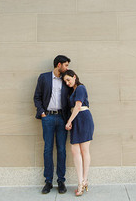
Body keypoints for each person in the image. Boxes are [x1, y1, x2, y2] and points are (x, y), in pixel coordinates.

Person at [33, 55, 72, 194]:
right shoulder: (44, 78)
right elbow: (37, 97)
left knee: (61, 149)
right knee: (47, 149)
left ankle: (61, 180)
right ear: (59, 64)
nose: (67, 68)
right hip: (48, 118)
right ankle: (48, 181)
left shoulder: (66, 80)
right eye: (66, 65)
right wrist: (42, 113)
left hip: (62, 118)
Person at [63, 69, 94, 197]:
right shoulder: (74, 90)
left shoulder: (81, 88)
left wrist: (68, 121)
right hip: (76, 119)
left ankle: (83, 181)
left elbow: (77, 106)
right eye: (65, 81)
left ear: (74, 76)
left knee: (84, 150)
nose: (67, 83)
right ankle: (81, 180)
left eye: (68, 80)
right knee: (75, 150)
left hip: (83, 118)